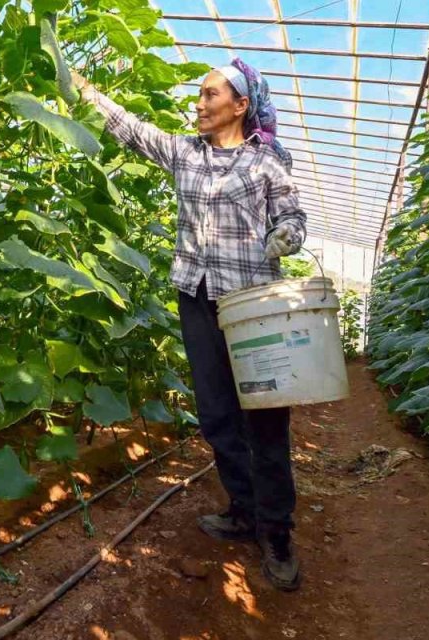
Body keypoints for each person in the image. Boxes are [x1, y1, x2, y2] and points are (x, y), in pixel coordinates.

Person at [72, 58, 307, 591]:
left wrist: (284, 238)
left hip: (251, 304)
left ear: (240, 106)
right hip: (197, 297)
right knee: (218, 414)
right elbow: (129, 128)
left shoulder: (267, 163)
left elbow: (294, 217)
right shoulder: (185, 152)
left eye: (209, 95)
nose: (198, 105)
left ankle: (277, 533)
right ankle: (244, 509)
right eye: (198, 96)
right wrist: (82, 88)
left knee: (265, 419)